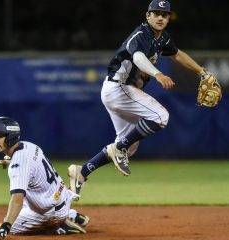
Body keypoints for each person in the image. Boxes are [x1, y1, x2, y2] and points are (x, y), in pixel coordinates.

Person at [68, 0, 218, 196]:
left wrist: (201, 71)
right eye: (156, 14)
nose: (160, 18)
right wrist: (158, 74)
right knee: (160, 116)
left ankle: (82, 171)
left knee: (128, 147)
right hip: (118, 88)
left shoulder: (162, 39)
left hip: (119, 92)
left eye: (164, 15)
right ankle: (118, 148)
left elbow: (177, 54)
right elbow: (138, 57)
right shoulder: (141, 35)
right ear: (148, 16)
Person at [0, 116, 89, 239]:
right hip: (63, 198)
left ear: (10, 137)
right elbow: (29, 165)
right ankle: (72, 215)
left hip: (51, 213)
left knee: (6, 226)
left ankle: (59, 227)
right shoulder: (29, 146)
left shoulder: (18, 164)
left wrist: (5, 227)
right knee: (25, 202)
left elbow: (17, 199)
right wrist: (10, 162)